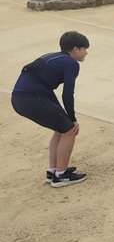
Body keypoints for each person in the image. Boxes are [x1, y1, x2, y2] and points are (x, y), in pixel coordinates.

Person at [11, 31, 90, 187]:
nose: (86, 53)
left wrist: (65, 117)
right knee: (69, 130)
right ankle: (61, 175)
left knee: (62, 129)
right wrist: (72, 119)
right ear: (75, 49)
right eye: (84, 49)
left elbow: (47, 90)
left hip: (20, 98)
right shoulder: (71, 63)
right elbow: (68, 94)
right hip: (32, 98)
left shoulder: (53, 57)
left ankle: (53, 171)